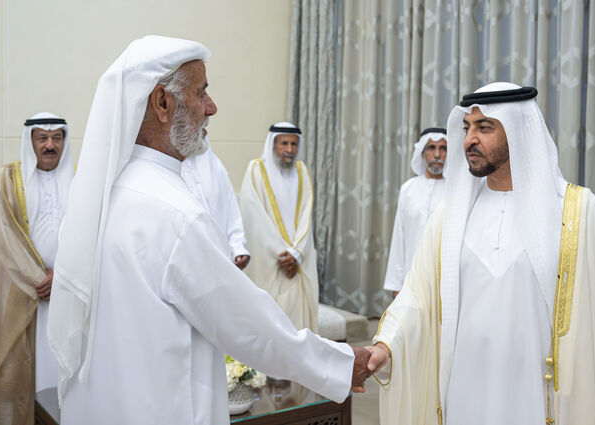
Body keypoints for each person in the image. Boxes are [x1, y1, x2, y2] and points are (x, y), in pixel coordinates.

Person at [46, 36, 370, 425]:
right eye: (201, 93)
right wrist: (341, 364)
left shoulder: (99, 197)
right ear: (163, 103)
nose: (212, 107)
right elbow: (247, 326)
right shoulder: (176, 213)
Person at [365, 83, 595, 425]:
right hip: (464, 390)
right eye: (467, 128)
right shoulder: (451, 215)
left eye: (484, 128)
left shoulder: (577, 213)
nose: (469, 140)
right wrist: (385, 346)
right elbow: (418, 296)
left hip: (538, 396)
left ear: (519, 131)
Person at [0, 112, 71, 424]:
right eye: (42, 138)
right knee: (25, 379)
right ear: (30, 141)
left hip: (67, 295)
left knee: (63, 380)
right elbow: (4, 237)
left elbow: (92, 238)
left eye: (56, 138)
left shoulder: (79, 181)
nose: (50, 145)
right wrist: (39, 279)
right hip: (26, 294)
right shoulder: (8, 180)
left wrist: (62, 276)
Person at [239, 123, 318, 331]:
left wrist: (297, 252)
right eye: (284, 143)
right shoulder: (256, 170)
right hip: (270, 260)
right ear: (273, 144)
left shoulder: (302, 171)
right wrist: (282, 253)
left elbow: (307, 215)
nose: (289, 149)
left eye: (294, 144)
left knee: (298, 327)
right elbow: (254, 216)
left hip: (297, 259)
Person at [384, 127, 447, 298]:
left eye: (443, 148)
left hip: (444, 283)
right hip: (411, 281)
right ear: (422, 153)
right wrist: (396, 285)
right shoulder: (408, 189)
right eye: (431, 148)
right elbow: (399, 239)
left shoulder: (455, 191)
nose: (437, 154)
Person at [182, 139, 250, 268]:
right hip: (188, 257)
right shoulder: (173, 168)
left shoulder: (215, 167)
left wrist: (238, 248)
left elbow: (231, 211)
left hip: (220, 255)